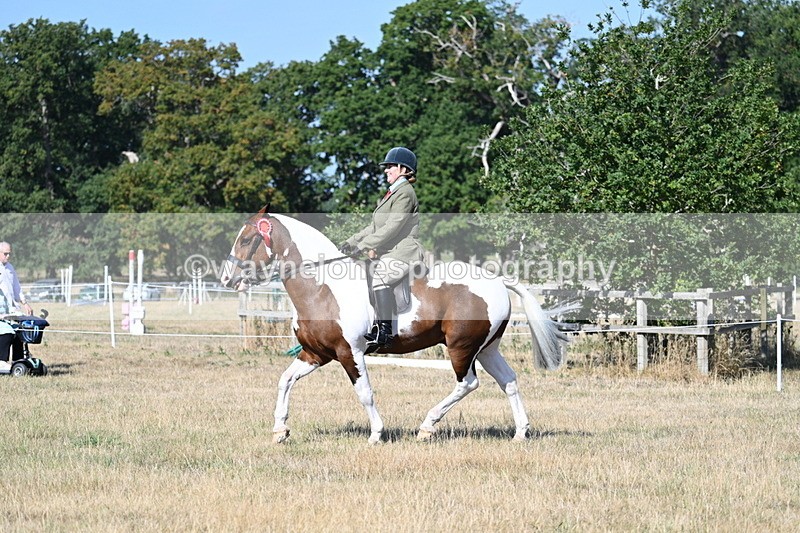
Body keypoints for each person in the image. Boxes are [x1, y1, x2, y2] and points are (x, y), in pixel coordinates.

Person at [339, 147, 425, 352]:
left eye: (390, 167)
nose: (386, 171)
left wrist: (364, 245)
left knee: (380, 277)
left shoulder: (405, 193)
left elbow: (392, 227)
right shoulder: (392, 193)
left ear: (403, 169)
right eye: (385, 168)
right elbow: (374, 227)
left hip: (404, 252)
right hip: (390, 251)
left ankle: (384, 331)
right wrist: (351, 241)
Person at [0, 242, 34, 363]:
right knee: (7, 332)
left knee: (20, 332)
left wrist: (25, 303)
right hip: (1, 311)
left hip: (12, 309)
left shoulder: (10, 268)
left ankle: (18, 362)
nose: (8, 256)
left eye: (9, 254)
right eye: (5, 254)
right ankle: (2, 361)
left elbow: (17, 288)